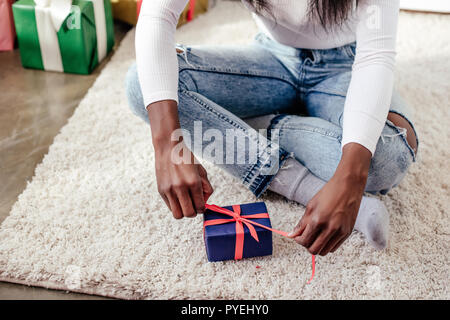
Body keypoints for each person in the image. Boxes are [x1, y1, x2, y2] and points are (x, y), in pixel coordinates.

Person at [125, 0, 418, 256]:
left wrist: (351, 179)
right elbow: (157, 15)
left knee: (385, 159)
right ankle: (303, 185)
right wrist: (167, 145)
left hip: (348, 64)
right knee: (143, 86)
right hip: (273, 57)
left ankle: (241, 127)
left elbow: (375, 55)